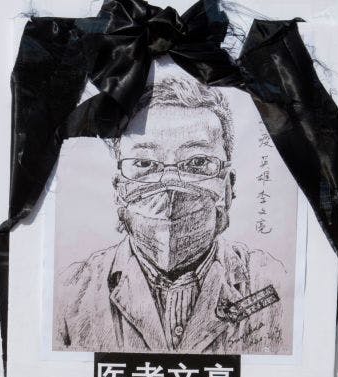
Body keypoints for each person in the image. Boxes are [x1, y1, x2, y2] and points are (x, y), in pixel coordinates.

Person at [54, 75, 289, 354]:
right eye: (144, 163)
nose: (169, 186)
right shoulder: (72, 293)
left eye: (197, 162)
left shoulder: (271, 280)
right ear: (118, 188)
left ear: (227, 187)